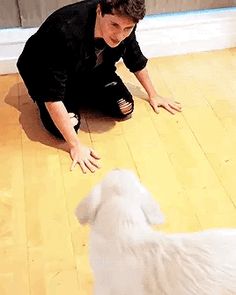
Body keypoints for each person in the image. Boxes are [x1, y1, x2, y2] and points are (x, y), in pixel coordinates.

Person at [17, 0, 181, 174]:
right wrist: (75, 146)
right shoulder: (64, 30)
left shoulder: (125, 22)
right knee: (67, 129)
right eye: (114, 25)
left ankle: (81, 96)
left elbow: (134, 56)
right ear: (99, 10)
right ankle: (72, 102)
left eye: (127, 28)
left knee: (125, 108)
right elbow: (52, 95)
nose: (119, 35)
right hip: (48, 77)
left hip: (91, 70)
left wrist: (153, 94)